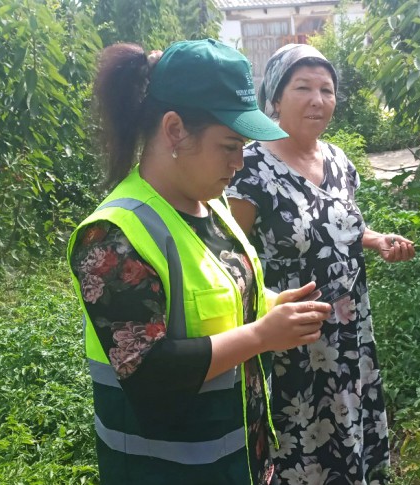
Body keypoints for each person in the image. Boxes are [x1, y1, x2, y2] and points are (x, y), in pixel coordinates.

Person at [66, 39, 332, 485]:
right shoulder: (112, 235)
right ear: (174, 130)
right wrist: (262, 336)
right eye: (229, 145)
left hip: (239, 460)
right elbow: (148, 371)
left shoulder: (213, 205)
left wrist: (267, 303)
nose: (239, 162)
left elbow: (214, 297)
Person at [226, 44, 416, 484]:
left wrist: (377, 241)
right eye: (303, 87)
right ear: (274, 98)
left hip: (349, 332)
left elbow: (341, 226)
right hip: (291, 340)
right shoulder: (250, 168)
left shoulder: (338, 161)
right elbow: (229, 257)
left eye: (327, 90)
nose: (318, 100)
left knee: (347, 432)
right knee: (299, 443)